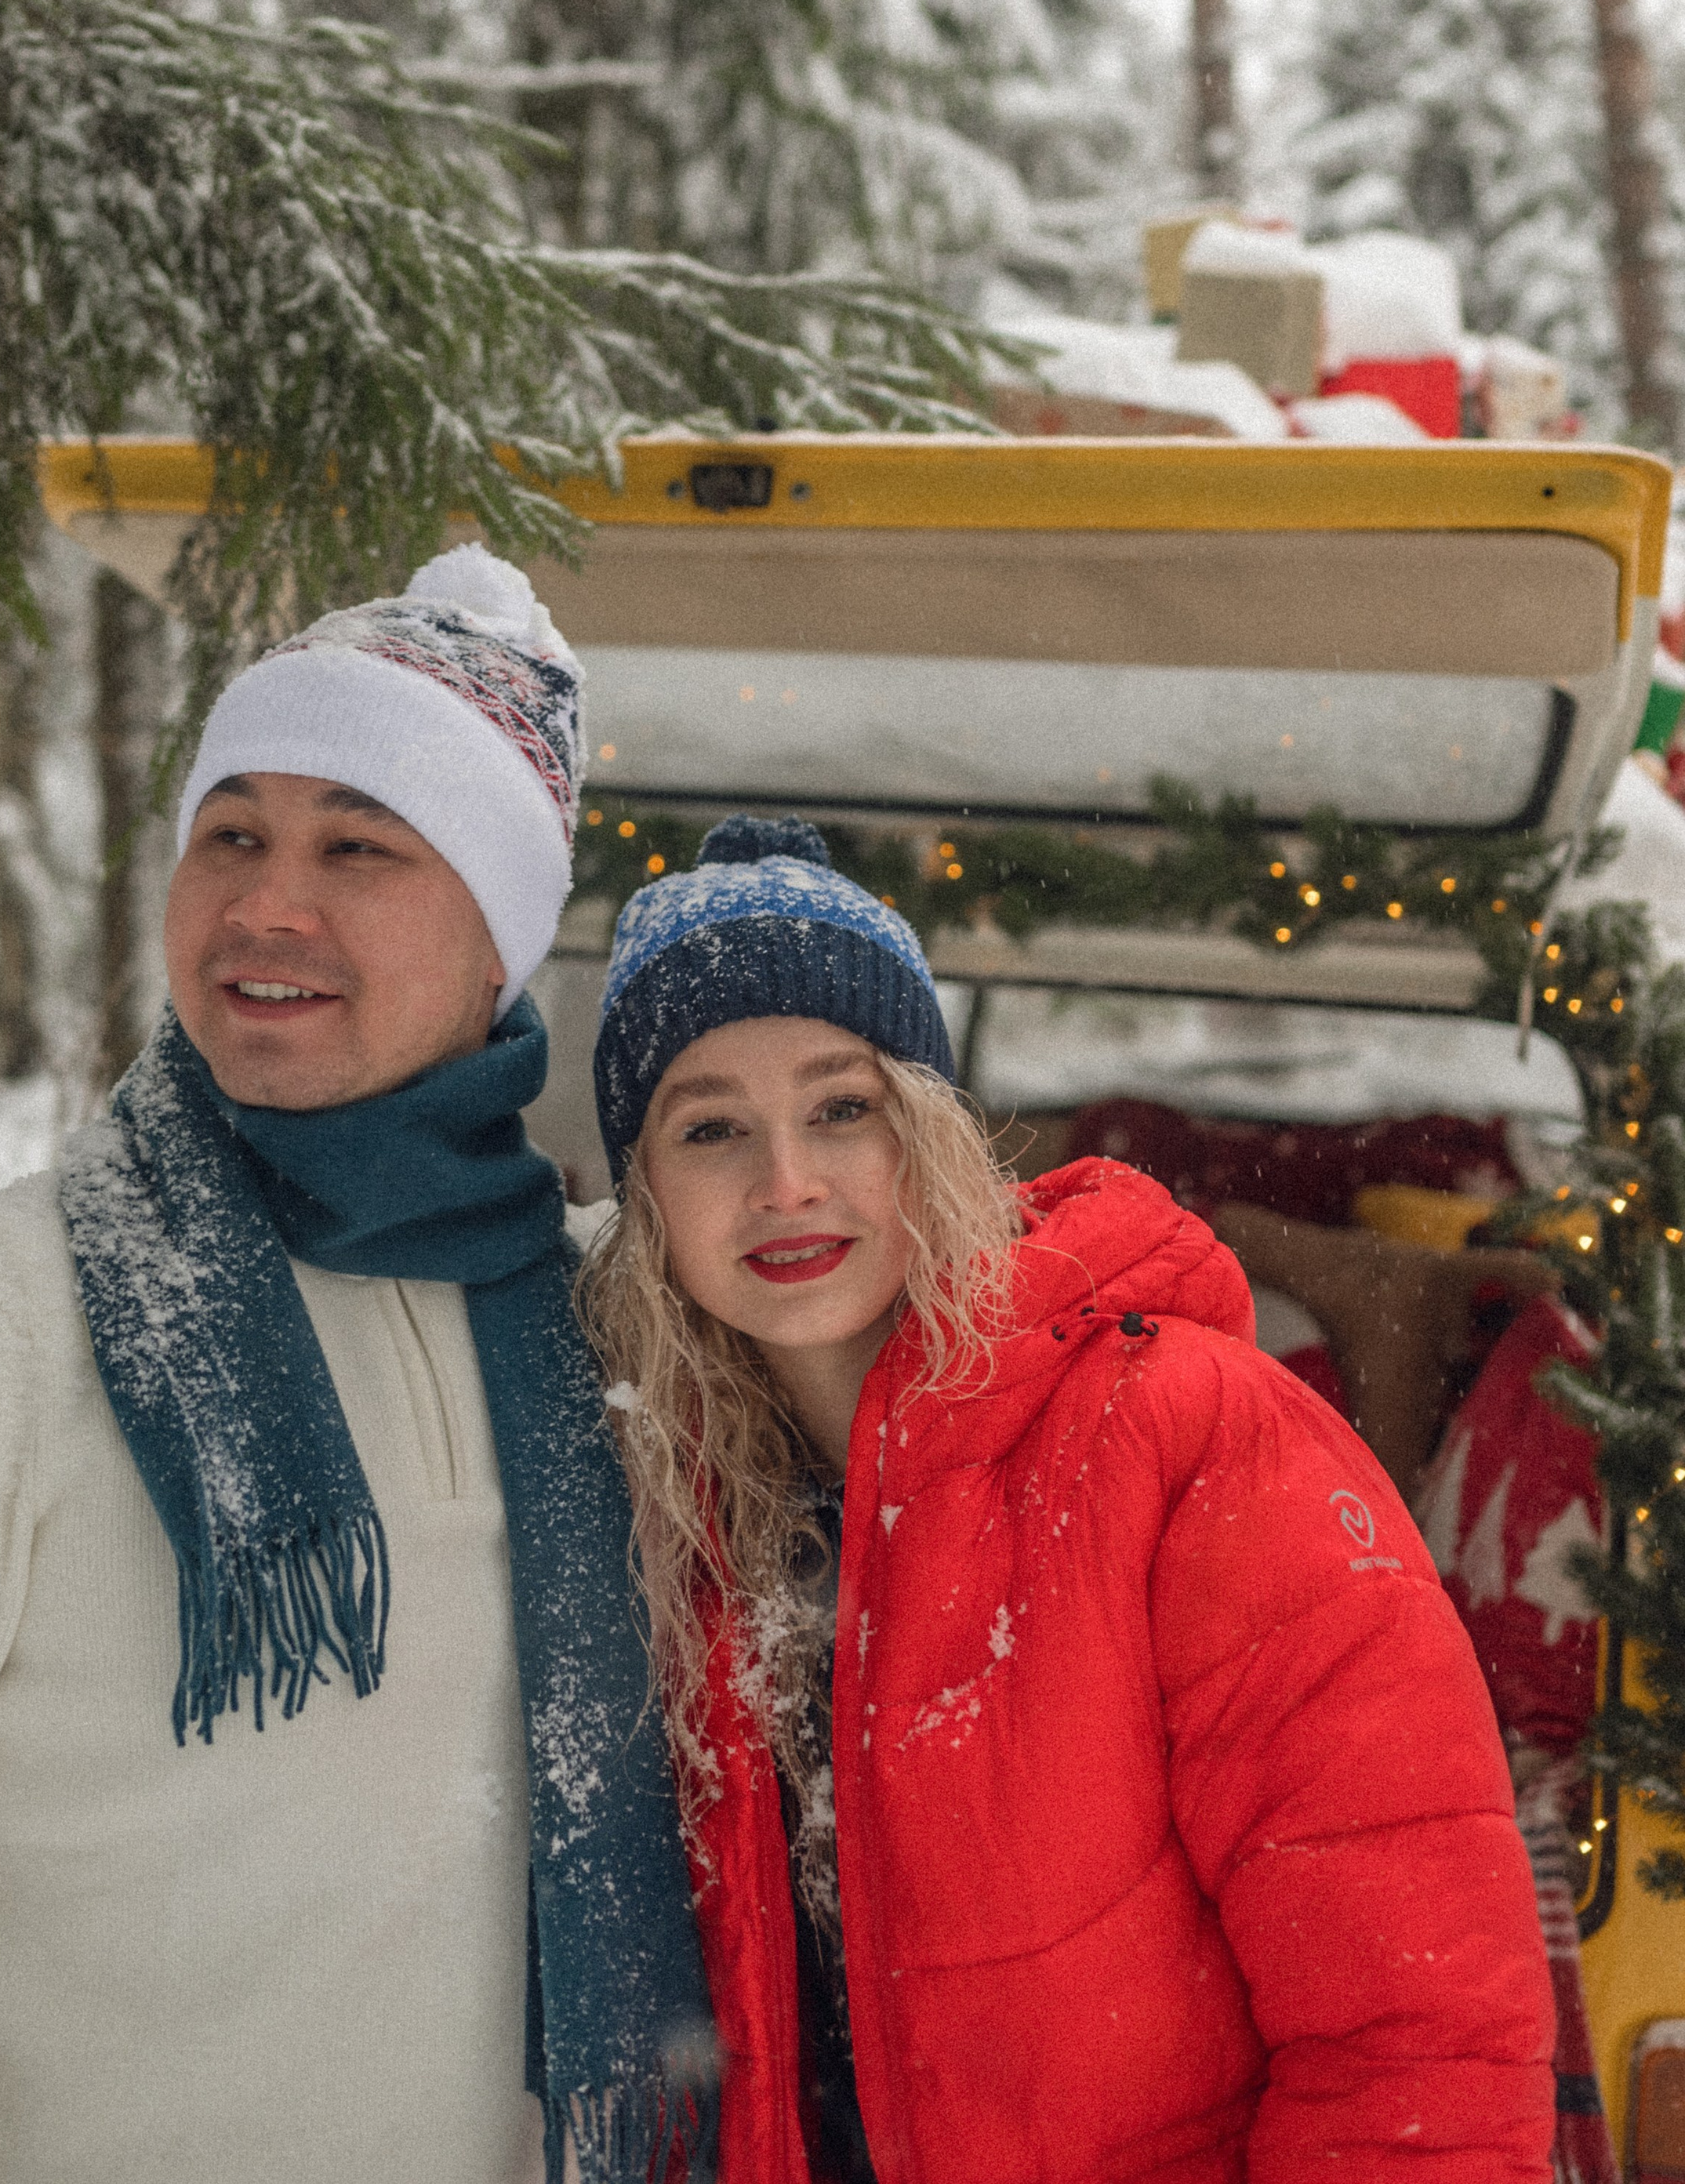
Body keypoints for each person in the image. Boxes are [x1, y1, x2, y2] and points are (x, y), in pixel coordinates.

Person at [0, 546, 710, 2184]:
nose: (264, 903)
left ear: (497, 937)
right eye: (230, 833)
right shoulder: (17, 1309)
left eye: (355, 845)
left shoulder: (608, 1324)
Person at [577, 814, 1558, 2184]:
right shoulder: (656, 1516)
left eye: (841, 1107)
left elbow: (1417, 2032)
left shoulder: (1189, 1441)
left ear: (929, 1131)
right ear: (648, 1198)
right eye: (711, 1128)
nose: (785, 1181)